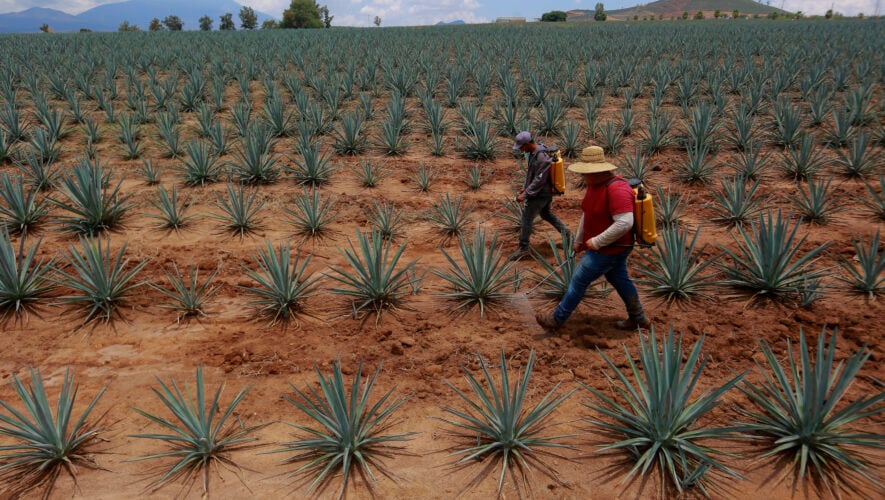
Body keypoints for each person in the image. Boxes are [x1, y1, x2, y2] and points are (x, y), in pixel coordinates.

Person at [535, 146, 651, 331]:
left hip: (612, 248)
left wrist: (597, 241)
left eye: (585, 173)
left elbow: (625, 223)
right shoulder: (595, 186)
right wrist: (579, 239)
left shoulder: (617, 190)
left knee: (579, 280)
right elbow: (587, 213)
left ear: (598, 172)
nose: (583, 176)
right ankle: (638, 317)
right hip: (607, 247)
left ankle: (556, 320)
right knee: (619, 279)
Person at [509, 131, 571, 261]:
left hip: (541, 194)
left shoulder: (541, 156)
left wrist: (526, 194)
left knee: (527, 218)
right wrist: (525, 188)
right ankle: (568, 234)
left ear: (527, 144)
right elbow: (533, 175)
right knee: (546, 214)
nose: (520, 149)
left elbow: (539, 179)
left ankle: (523, 248)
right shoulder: (534, 152)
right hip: (542, 192)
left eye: (521, 146)